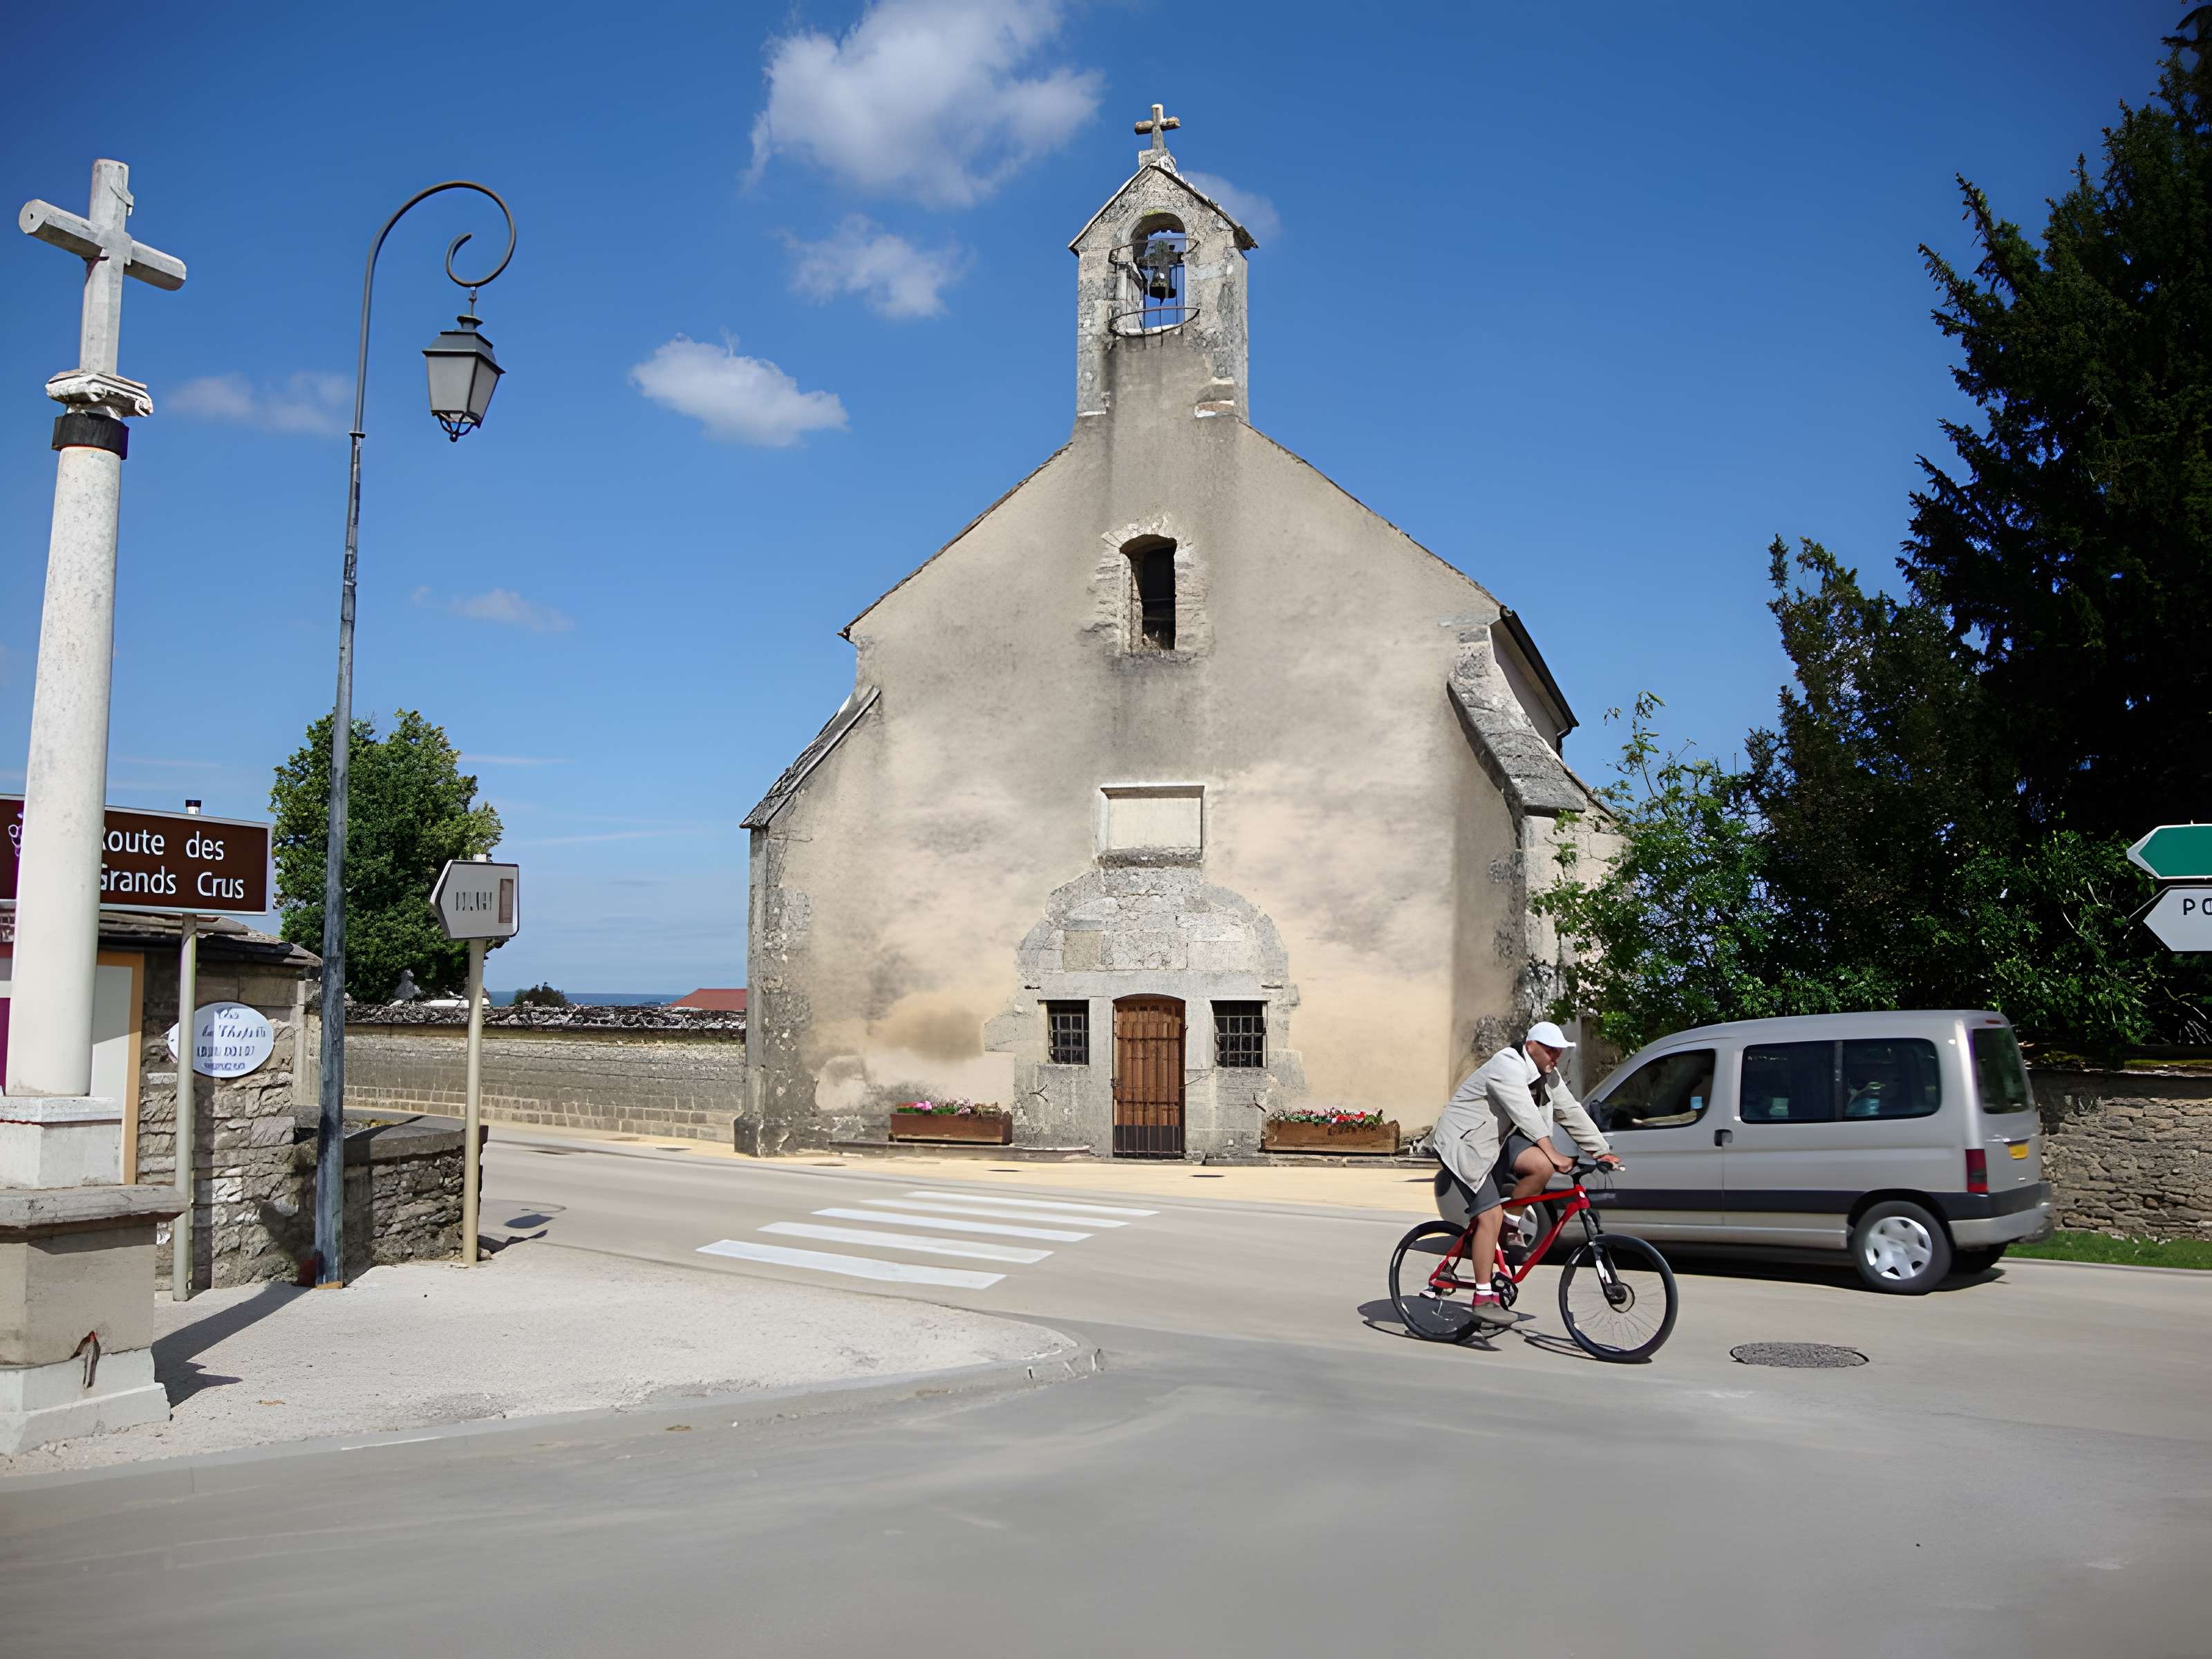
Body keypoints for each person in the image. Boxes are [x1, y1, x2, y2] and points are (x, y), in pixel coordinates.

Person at [1432, 1020, 1622, 1325]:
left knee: (1541, 1167)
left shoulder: (1548, 1075)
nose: (1555, 1058)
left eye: (1559, 1052)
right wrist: (1553, 1151)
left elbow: (1570, 1111)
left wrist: (1600, 1150)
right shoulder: (1506, 1065)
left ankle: (1511, 1224)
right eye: (1550, 1051)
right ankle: (1483, 1296)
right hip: (1464, 1145)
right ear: (1531, 1046)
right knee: (1488, 1215)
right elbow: (1524, 1113)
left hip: (1497, 1142)